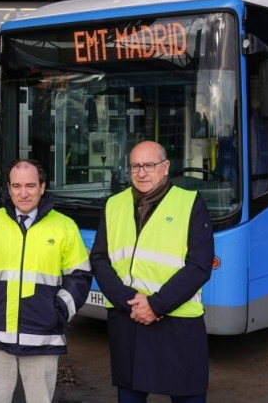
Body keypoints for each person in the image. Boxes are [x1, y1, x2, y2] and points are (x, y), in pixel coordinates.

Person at [90, 141, 214, 403]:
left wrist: (155, 305)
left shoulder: (190, 203)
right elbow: (99, 259)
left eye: (149, 165)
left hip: (177, 323)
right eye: (135, 165)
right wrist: (129, 302)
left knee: (187, 395)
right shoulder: (113, 204)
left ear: (166, 167)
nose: (142, 172)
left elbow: (199, 266)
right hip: (128, 320)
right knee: (129, 395)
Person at [0, 159, 92, 403]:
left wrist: (58, 311)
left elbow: (79, 276)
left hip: (42, 336)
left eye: (30, 185)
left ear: (42, 187)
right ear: (9, 188)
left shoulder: (64, 227)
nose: (23, 193)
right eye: (16, 186)